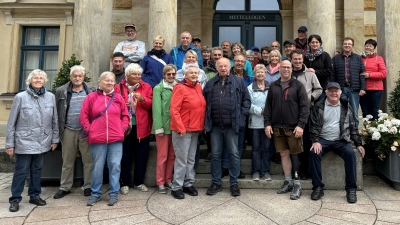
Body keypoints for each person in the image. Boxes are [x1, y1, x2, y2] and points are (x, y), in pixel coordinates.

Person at [6, 69, 59, 212]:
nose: (38, 80)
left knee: (37, 170)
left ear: (45, 81)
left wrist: (55, 139)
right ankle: (15, 199)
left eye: (41, 78)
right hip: (24, 141)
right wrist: (10, 143)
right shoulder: (20, 97)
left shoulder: (50, 97)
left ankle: (34, 195)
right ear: (30, 80)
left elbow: (55, 120)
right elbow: (11, 122)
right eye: (35, 78)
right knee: (21, 171)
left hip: (43, 141)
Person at [309, 82, 365, 203]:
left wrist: (358, 143)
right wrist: (315, 141)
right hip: (323, 139)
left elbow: (352, 127)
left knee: (351, 154)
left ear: (340, 93)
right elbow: (313, 126)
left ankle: (351, 189)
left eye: (336, 91)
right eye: (331, 91)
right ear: (326, 93)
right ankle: (318, 187)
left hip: (341, 140)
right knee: (314, 153)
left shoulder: (346, 106)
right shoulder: (319, 106)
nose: (333, 93)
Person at [80, 71, 130, 206]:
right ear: (100, 82)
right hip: (97, 138)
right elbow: (83, 116)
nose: (109, 83)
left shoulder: (118, 98)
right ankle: (95, 193)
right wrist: (89, 129)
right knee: (97, 167)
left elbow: (125, 116)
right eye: (106, 80)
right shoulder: (91, 97)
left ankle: (114, 193)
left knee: (115, 165)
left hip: (115, 138)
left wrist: (123, 127)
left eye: (111, 81)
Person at [203, 57, 251, 197]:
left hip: (232, 125)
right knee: (216, 154)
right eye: (220, 66)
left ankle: (234, 183)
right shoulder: (211, 83)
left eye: (225, 66)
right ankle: (216, 182)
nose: (223, 68)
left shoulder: (239, 82)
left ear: (229, 67)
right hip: (216, 126)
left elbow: (246, 101)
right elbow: (204, 103)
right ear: (216, 67)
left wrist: (241, 118)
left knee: (234, 154)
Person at [264, 60, 309, 200]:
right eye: (283, 67)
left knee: (295, 154)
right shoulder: (273, 86)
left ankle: (297, 184)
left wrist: (301, 125)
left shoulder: (298, 85)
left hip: (293, 127)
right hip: (277, 127)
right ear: (280, 69)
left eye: (288, 67)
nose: (286, 69)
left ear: (292, 69)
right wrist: (267, 124)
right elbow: (268, 107)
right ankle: (288, 181)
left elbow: (304, 107)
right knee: (284, 154)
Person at [53, 65, 96, 199]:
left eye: (80, 76)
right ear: (70, 77)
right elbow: (56, 112)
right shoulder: (61, 91)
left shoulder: (91, 90)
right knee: (67, 161)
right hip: (68, 130)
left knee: (88, 160)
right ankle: (65, 187)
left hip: (86, 131)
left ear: (84, 77)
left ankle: (88, 186)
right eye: (74, 76)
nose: (77, 78)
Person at [114, 63, 153, 194]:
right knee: (125, 155)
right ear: (127, 75)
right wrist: (122, 106)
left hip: (142, 127)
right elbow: (112, 104)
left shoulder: (146, 87)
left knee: (142, 156)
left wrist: (143, 99)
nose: (137, 76)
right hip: (124, 127)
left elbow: (151, 105)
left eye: (139, 74)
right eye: (134, 74)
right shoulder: (118, 87)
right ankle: (125, 183)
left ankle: (139, 182)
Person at [169, 63, 206, 199]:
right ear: (185, 74)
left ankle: (188, 183)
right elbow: (174, 109)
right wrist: (180, 127)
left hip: (196, 129)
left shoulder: (198, 87)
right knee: (181, 160)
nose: (194, 75)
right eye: (191, 73)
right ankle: (176, 186)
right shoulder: (180, 88)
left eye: (196, 73)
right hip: (182, 130)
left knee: (190, 159)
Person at [291, 50, 323, 180]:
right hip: (291, 113)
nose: (297, 62)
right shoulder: (288, 74)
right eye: (295, 59)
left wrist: (310, 98)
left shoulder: (310, 74)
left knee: (305, 142)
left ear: (302, 59)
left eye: (299, 59)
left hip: (307, 112)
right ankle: (294, 170)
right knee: (294, 143)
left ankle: (305, 171)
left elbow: (319, 89)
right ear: (291, 60)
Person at [152, 64, 178, 194]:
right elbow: (156, 109)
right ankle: (160, 182)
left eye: (173, 74)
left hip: (175, 126)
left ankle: (168, 180)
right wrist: (158, 127)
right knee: (162, 156)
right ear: (164, 75)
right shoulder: (158, 88)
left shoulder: (178, 86)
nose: (171, 76)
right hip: (163, 125)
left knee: (172, 156)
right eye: (169, 74)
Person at [331, 37, 366, 127]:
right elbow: (332, 74)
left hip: (354, 89)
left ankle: (355, 134)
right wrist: (333, 88)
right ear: (342, 46)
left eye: (349, 44)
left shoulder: (358, 58)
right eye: (345, 44)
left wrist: (363, 88)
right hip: (341, 89)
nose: (347, 45)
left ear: (352, 46)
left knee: (354, 111)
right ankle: (342, 133)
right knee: (341, 111)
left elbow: (362, 74)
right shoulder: (335, 59)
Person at [248, 64, 271, 181]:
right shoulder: (250, 88)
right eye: (258, 72)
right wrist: (260, 111)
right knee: (256, 148)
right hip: (255, 122)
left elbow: (274, 102)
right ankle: (256, 171)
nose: (260, 74)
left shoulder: (271, 87)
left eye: (262, 72)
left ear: (266, 74)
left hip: (268, 123)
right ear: (255, 75)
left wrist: (268, 112)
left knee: (266, 148)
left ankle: (266, 171)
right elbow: (247, 104)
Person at [360, 39, 387, 120]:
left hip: (376, 89)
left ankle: (374, 130)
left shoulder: (378, 58)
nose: (368, 47)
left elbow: (383, 73)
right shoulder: (359, 58)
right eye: (367, 45)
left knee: (374, 111)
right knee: (365, 111)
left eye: (370, 46)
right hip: (362, 88)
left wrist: (369, 75)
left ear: (374, 48)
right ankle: (366, 131)